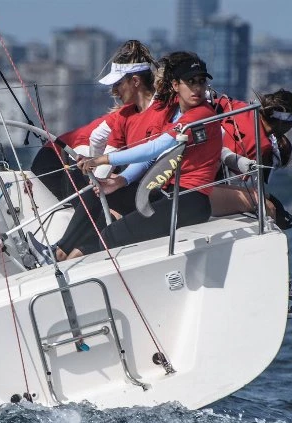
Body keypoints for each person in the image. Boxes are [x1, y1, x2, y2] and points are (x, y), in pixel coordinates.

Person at [65, 51, 222, 257]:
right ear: (176, 85)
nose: (197, 88)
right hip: (164, 192)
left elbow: (154, 148)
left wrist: (102, 159)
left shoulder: (200, 114)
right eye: (190, 82)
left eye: (201, 82)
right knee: (97, 193)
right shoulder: (173, 113)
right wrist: (120, 181)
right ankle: (60, 251)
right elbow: (152, 158)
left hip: (189, 200)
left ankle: (77, 260)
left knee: (112, 235)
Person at [29, 40, 159, 262]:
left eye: (118, 84)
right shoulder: (125, 115)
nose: (114, 91)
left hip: (155, 187)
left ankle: (59, 252)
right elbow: (107, 145)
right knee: (97, 190)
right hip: (134, 183)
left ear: (135, 81)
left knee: (99, 192)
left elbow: (152, 155)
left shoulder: (160, 111)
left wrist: (118, 180)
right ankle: (67, 255)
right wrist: (98, 178)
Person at [209, 89, 292, 309]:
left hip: (201, 181)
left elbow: (218, 99)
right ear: (281, 122)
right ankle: (277, 282)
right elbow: (240, 184)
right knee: (268, 211)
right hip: (203, 190)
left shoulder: (241, 108)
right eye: (291, 122)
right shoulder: (260, 144)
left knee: (266, 204)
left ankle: (269, 282)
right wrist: (268, 202)